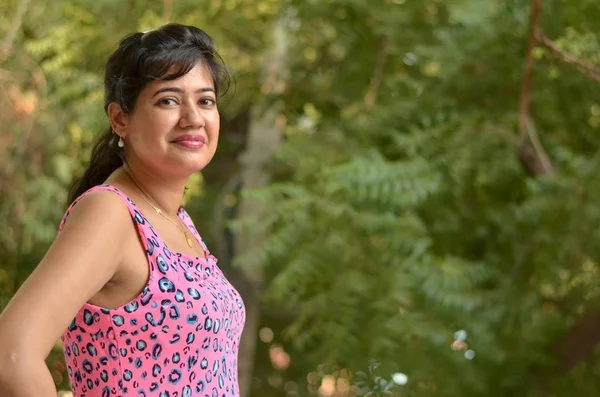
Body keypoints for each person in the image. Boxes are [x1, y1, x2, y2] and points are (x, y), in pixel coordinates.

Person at [0, 23, 246, 397]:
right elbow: (11, 356)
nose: (193, 117)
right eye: (168, 99)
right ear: (120, 119)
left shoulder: (177, 221)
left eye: (205, 100)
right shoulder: (110, 212)